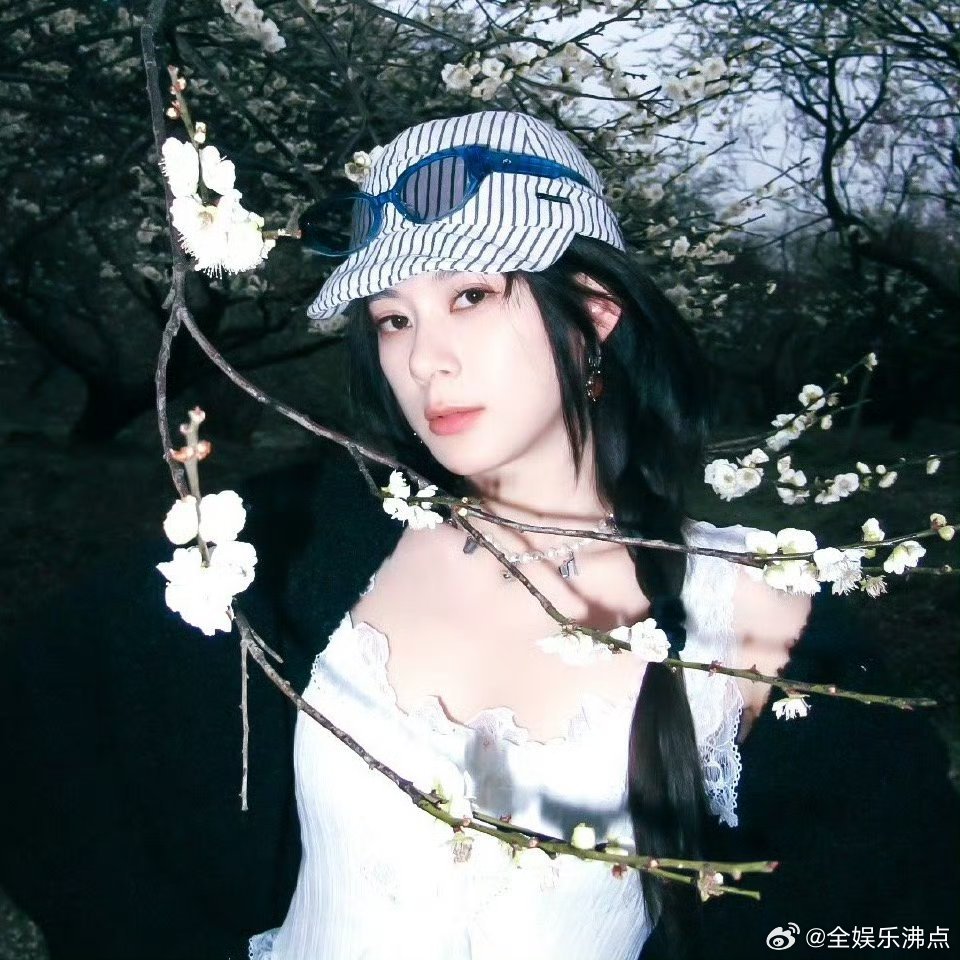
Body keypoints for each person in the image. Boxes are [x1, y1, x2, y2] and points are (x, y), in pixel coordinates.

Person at [1, 110, 956, 960]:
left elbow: (898, 919)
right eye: (391, 319)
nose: (426, 359)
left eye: (470, 296)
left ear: (593, 312)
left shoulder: (760, 617)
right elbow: (46, 710)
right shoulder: (299, 541)